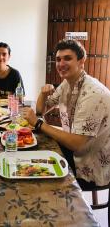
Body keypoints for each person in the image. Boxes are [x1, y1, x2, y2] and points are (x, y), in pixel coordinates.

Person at [23, 39, 110, 186]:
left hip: (90, 163)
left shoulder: (93, 93)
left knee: (38, 176)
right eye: (58, 59)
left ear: (81, 61)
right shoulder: (67, 83)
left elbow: (77, 144)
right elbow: (41, 110)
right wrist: (43, 94)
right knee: (33, 152)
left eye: (67, 58)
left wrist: (38, 124)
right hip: (77, 151)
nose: (61, 64)